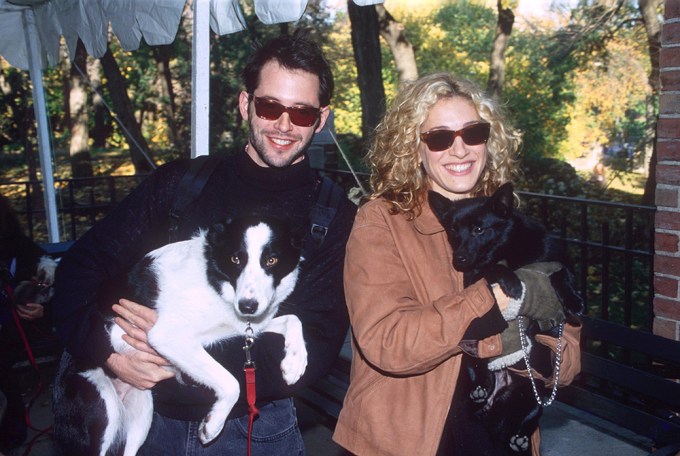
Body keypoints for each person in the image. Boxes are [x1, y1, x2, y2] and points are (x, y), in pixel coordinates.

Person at [51, 30, 356, 455]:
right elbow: (77, 271)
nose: (284, 125)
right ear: (246, 104)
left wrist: (176, 356)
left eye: (301, 114)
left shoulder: (332, 214)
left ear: (321, 120)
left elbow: (318, 345)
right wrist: (110, 354)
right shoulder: (182, 185)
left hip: (254, 426)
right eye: (270, 106)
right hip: (151, 418)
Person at [332, 73, 582, 456]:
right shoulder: (382, 221)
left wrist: (539, 352)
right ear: (413, 148)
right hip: (408, 441)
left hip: (500, 437)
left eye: (473, 133)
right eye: (440, 138)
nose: (460, 149)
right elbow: (388, 342)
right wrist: (494, 299)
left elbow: (567, 361)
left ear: (489, 140)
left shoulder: (505, 221)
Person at [0, 194, 56, 451]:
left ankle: (14, 423)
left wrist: (43, 305)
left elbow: (49, 270)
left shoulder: (19, 246)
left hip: (22, 325)